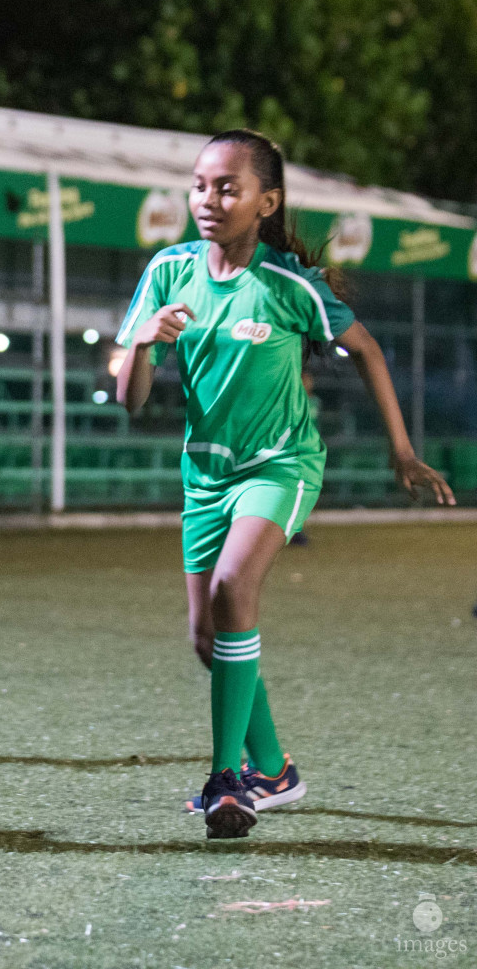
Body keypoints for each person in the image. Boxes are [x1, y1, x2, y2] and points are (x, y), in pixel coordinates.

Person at [115, 129, 455, 839]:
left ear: (266, 203)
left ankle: (226, 779)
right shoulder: (169, 271)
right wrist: (144, 341)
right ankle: (273, 771)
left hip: (281, 464)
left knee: (234, 589)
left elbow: (363, 348)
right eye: (201, 185)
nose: (209, 198)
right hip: (204, 476)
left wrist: (401, 449)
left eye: (228, 188)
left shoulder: (287, 284)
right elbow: (132, 398)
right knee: (206, 636)